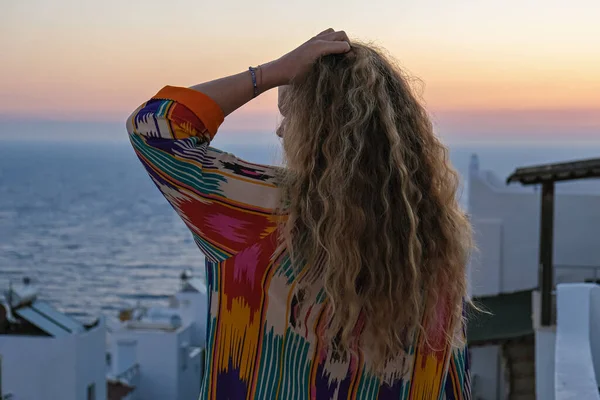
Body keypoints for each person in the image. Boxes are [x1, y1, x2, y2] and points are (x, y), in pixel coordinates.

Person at [126, 29, 472, 400]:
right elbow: (448, 384)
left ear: (317, 128)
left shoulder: (261, 213)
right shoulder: (429, 247)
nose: (279, 130)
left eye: (288, 113)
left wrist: (271, 72)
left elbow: (155, 127)